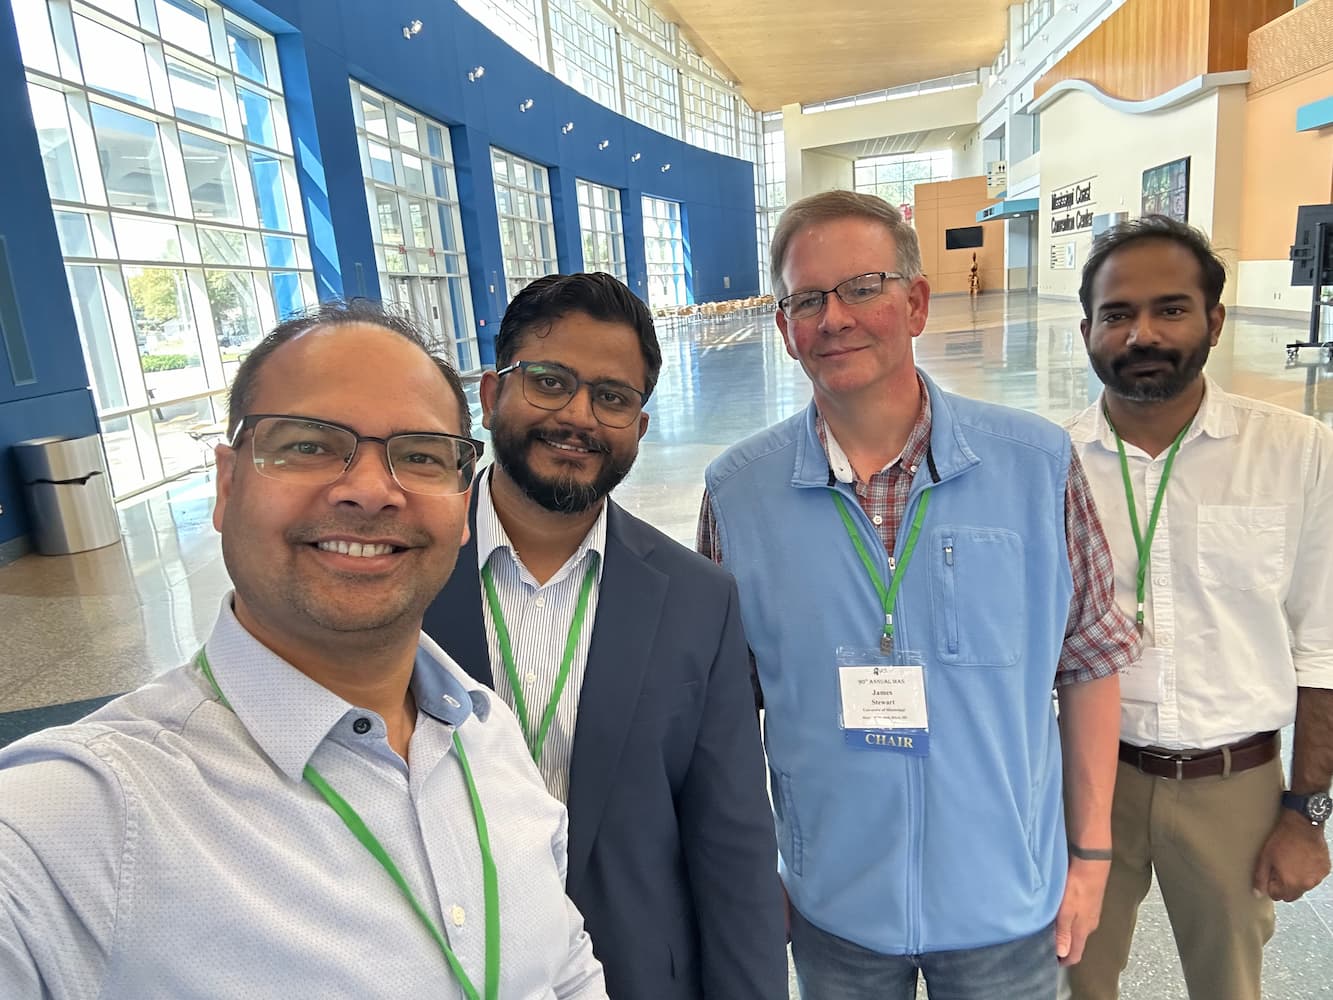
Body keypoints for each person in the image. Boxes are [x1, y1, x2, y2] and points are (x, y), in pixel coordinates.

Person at [0, 301, 608, 1000]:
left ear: (461, 503)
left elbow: (565, 971)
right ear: (227, 486)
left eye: (418, 455)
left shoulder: (489, 737)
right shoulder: (85, 821)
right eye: (309, 444)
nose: (371, 491)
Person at [698, 190, 1138, 1000]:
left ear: (916, 302)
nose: (833, 318)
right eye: (806, 299)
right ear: (785, 328)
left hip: (1006, 902)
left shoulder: (1033, 465)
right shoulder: (738, 493)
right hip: (832, 909)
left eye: (861, 287)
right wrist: (758, 874)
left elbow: (1088, 661)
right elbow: (723, 714)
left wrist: (1091, 856)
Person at [422, 272, 787, 1000]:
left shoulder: (696, 600)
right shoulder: (405, 567)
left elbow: (732, 848)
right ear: (491, 395)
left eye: (612, 397)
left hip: (636, 975)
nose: (577, 416)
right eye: (550, 381)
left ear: (639, 427)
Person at [1065, 216, 1333, 1000]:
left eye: (1170, 309)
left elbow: (1324, 643)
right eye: (1117, 314)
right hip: (1089, 782)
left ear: (1214, 320)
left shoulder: (1295, 453)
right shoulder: (1051, 463)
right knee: (1073, 978)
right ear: (1087, 330)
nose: (1141, 332)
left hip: (1235, 785)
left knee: (1228, 986)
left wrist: (1306, 813)